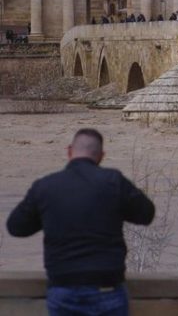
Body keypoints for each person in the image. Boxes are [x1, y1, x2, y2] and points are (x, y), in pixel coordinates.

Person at [6, 129, 155, 316]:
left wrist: (48, 215)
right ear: (101, 156)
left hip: (63, 287)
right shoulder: (113, 181)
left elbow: (16, 227)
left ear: (69, 151)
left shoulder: (46, 186)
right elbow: (147, 214)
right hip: (106, 287)